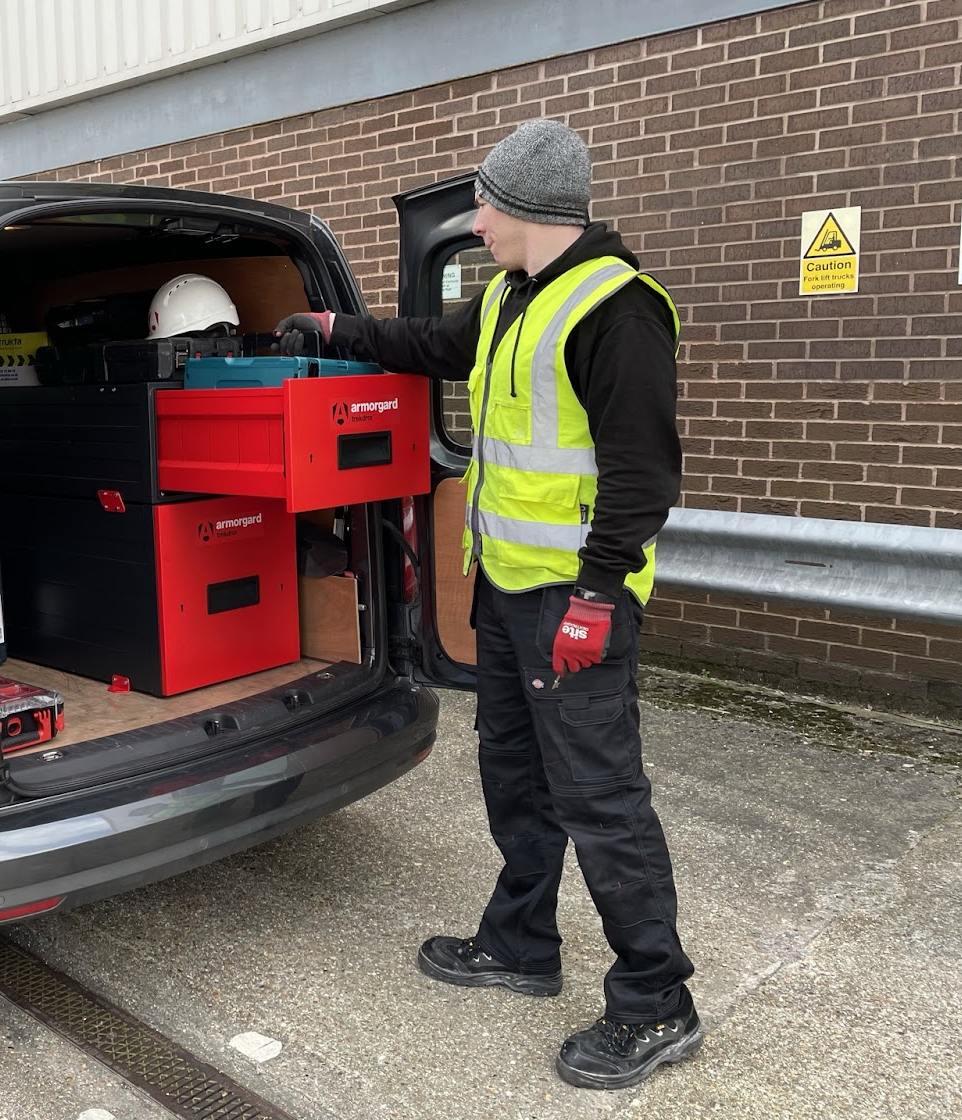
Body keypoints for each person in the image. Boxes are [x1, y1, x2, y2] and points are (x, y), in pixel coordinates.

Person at [275, 119, 699, 1090]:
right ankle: (520, 944)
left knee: (599, 796)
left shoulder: (616, 311)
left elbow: (643, 477)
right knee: (514, 774)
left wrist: (597, 593)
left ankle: (656, 999)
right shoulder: (511, 297)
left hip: (574, 603)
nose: (474, 221)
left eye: (484, 204)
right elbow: (428, 342)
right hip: (509, 594)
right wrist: (338, 331)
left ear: (527, 209)